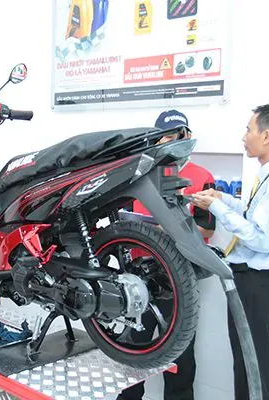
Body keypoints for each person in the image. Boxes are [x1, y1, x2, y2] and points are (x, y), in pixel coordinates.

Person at [192, 103, 269, 400]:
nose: (244, 136)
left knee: (252, 369)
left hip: (256, 284)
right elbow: (254, 215)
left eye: (249, 129)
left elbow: (261, 239)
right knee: (262, 365)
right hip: (253, 284)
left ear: (266, 136)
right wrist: (222, 199)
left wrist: (216, 208)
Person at [118, 109, 216, 400]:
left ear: (188, 135)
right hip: (138, 279)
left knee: (181, 357)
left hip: (179, 282)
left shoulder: (202, 177)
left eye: (177, 135)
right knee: (130, 352)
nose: (170, 142)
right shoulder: (139, 175)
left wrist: (168, 229)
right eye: (164, 137)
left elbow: (207, 229)